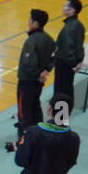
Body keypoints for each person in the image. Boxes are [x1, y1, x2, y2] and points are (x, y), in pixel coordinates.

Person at [7, 9, 55, 152]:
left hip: (27, 81)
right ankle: (39, 136)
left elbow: (29, 63)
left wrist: (38, 73)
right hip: (39, 82)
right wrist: (46, 71)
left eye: (30, 19)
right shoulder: (49, 39)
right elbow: (54, 57)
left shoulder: (31, 41)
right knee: (35, 107)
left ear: (35, 23)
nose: (28, 22)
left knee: (24, 112)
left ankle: (24, 142)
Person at [53, 0, 85, 105]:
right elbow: (79, 46)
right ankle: (63, 116)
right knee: (67, 89)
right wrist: (79, 60)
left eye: (66, 6)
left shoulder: (69, 28)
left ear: (72, 11)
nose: (63, 7)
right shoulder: (78, 25)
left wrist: (71, 64)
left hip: (64, 63)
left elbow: (67, 49)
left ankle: (60, 118)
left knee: (61, 91)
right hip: (69, 63)